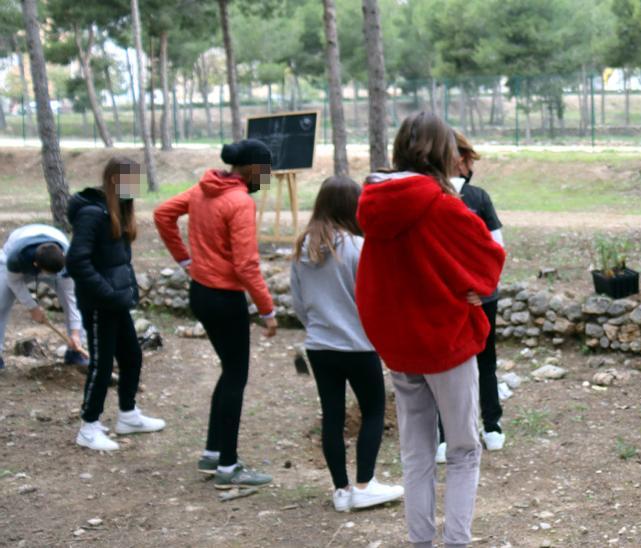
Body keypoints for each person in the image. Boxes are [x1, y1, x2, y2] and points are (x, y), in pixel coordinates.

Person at [355, 112, 505, 547]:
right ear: (443, 152)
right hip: (445, 343)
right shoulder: (441, 205)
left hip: (400, 347)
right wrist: (475, 289)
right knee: (463, 450)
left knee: (416, 452)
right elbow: (487, 260)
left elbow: (370, 281)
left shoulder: (372, 201)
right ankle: (456, 542)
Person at [154, 139, 278, 489]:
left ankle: (213, 454)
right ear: (253, 169)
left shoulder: (203, 188)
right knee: (236, 376)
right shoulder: (240, 201)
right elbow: (246, 264)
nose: (267, 178)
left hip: (201, 294)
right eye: (266, 172)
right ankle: (228, 467)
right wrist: (267, 309)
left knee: (229, 373)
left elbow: (163, 213)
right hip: (225, 300)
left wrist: (186, 261)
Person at [291, 176, 403, 512]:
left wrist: (317, 327)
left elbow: (298, 303)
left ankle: (340, 491)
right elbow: (374, 298)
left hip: (320, 346)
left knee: (332, 416)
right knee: (372, 411)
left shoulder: (302, 249)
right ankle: (365, 484)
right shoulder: (358, 247)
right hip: (358, 345)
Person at [67, 157, 166, 451]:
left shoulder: (117, 211)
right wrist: (107, 292)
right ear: (114, 180)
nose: (135, 188)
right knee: (101, 362)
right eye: (130, 181)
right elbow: (76, 261)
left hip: (116, 302)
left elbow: (117, 261)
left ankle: (128, 415)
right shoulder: (92, 214)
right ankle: (88, 427)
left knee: (132, 357)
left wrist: (125, 292)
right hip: (100, 304)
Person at [435, 130, 508, 464]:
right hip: (478, 297)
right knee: (485, 361)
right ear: (460, 160)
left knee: (444, 364)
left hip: (448, 297)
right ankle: (491, 426)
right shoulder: (477, 198)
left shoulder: (430, 197)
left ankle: (445, 435)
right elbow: (497, 248)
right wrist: (480, 287)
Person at [0, 224, 86, 370]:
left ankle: (76, 351)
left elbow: (72, 300)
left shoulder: (69, 262)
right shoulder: (16, 258)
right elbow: (14, 282)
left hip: (53, 250)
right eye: (49, 273)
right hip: (12, 261)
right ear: (36, 265)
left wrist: (76, 333)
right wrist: (32, 307)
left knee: (79, 300)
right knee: (1, 302)